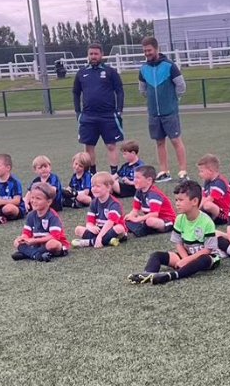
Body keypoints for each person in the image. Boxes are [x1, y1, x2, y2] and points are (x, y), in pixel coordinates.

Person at [128, 179, 222, 286]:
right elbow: (178, 243)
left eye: (181, 200)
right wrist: (185, 258)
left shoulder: (206, 221)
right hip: (187, 254)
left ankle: (172, 275)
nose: (177, 204)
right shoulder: (179, 219)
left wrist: (187, 260)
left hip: (207, 257)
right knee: (157, 255)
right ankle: (148, 275)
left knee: (204, 260)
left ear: (194, 201)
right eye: (176, 200)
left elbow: (208, 250)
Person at [138, 36, 187, 182]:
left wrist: (173, 99)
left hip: (170, 112)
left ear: (157, 49)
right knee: (159, 142)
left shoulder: (169, 66)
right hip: (154, 113)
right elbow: (142, 89)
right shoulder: (143, 69)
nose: (147, 53)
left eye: (149, 50)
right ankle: (164, 171)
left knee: (176, 140)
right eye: (145, 51)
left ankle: (183, 171)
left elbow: (181, 86)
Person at [72, 42, 124, 171]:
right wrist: (78, 112)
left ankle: (113, 174)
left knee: (111, 146)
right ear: (88, 55)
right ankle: (92, 174)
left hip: (108, 115)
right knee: (89, 147)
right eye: (91, 54)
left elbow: (119, 91)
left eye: (96, 54)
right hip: (88, 116)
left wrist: (119, 110)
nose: (93, 56)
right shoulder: (81, 73)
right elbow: (76, 92)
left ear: (102, 55)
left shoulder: (110, 72)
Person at [12, 183, 69, 261]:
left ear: (48, 202)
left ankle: (30, 254)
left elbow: (54, 237)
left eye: (38, 198)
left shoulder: (52, 216)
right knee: (16, 242)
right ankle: (37, 254)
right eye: (32, 198)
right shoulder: (31, 215)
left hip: (55, 243)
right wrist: (23, 239)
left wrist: (34, 240)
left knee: (52, 244)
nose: (33, 201)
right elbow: (26, 233)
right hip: (37, 245)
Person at [73, 171, 126, 248]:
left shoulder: (114, 203)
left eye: (98, 186)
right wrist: (91, 227)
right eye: (93, 186)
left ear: (108, 187)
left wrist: (99, 236)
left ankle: (90, 242)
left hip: (112, 229)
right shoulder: (93, 202)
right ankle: (108, 241)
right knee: (78, 230)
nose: (94, 189)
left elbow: (110, 223)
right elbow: (89, 222)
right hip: (99, 229)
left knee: (119, 228)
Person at [124, 165, 176, 237]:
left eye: (138, 178)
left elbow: (154, 214)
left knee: (150, 221)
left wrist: (138, 219)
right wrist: (130, 216)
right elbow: (135, 210)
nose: (134, 180)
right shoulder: (139, 191)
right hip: (152, 219)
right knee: (126, 218)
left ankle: (142, 230)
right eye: (134, 177)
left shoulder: (154, 194)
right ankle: (142, 229)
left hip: (167, 221)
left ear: (149, 180)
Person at [0, 153, 24, 225]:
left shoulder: (14, 182)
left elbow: (17, 201)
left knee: (8, 208)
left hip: (15, 208)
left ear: (8, 168)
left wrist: (1, 202)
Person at [195, 154, 230, 222]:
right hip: (214, 210)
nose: (199, 174)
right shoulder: (207, 182)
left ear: (210, 171)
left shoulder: (220, 182)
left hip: (225, 213)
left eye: (201, 171)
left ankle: (212, 219)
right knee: (202, 203)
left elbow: (210, 199)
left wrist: (195, 211)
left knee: (207, 205)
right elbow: (203, 198)